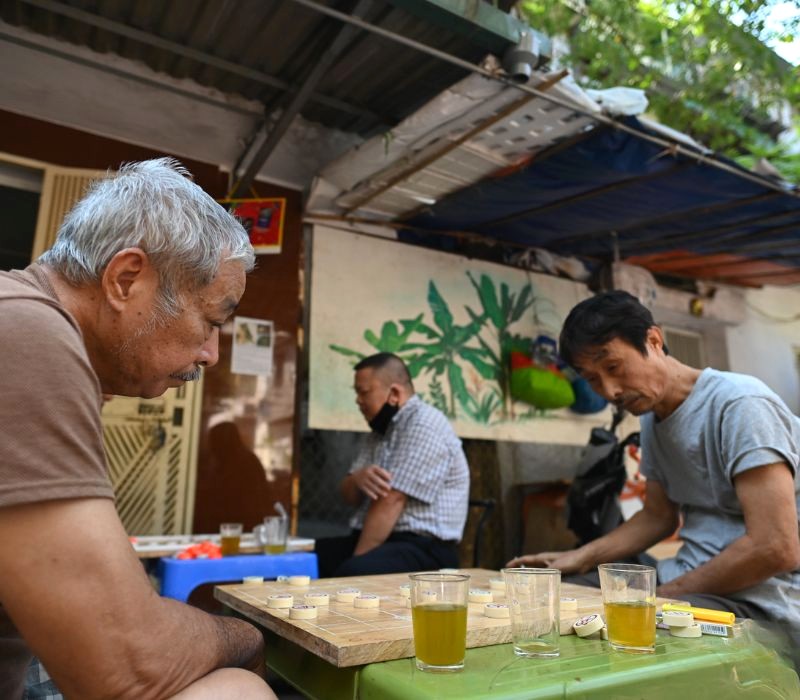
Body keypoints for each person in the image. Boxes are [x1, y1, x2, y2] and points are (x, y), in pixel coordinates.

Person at [0, 159, 276, 699]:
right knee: (238, 688)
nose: (211, 354)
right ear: (127, 279)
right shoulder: (27, 333)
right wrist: (247, 635)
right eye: (213, 321)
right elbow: (127, 668)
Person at [508, 290, 800, 650]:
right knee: (557, 596)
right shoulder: (652, 417)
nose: (610, 390)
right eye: (593, 379)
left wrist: (657, 598)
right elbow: (657, 517)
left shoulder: (740, 405)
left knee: (611, 632)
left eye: (613, 367)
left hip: (760, 601)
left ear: (654, 339)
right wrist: (577, 557)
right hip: (691, 584)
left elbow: (776, 547)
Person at [315, 353, 470, 577]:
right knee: (311, 559)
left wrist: (356, 564)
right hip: (382, 540)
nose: (358, 400)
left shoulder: (424, 425)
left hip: (424, 548)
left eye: (364, 392)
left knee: (351, 572)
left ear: (394, 393)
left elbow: (391, 501)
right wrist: (357, 479)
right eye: (356, 392)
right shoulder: (380, 430)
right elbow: (348, 495)